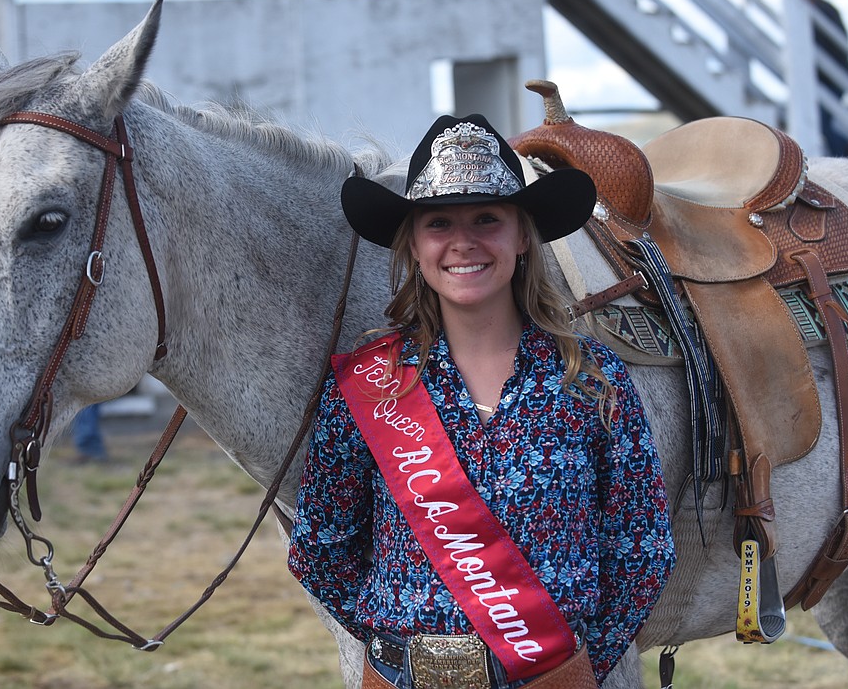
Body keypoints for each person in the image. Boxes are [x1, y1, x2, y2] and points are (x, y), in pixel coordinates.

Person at [288, 114, 675, 688]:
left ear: (523, 237)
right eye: (438, 222)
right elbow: (321, 547)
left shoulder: (593, 380)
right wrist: (393, 645)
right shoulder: (369, 388)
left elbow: (642, 548)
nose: (463, 242)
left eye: (487, 219)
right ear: (414, 245)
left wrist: (578, 668)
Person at [795, 0, 848, 157]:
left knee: (821, 120)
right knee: (821, 121)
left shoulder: (821, 11)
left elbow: (835, 43)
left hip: (832, 77)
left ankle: (844, 149)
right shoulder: (820, 10)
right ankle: (844, 148)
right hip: (828, 77)